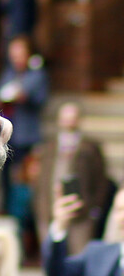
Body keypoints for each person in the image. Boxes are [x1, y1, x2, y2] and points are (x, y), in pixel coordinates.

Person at [34, 102, 112, 256]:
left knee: (79, 256)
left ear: (79, 120)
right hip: (50, 209)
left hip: (81, 212)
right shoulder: (48, 147)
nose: (69, 122)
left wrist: (95, 208)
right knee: (52, 256)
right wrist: (40, 207)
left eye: (72, 118)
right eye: (65, 118)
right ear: (59, 120)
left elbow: (101, 181)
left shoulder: (90, 147)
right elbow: (39, 181)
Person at [0, 36, 48, 219]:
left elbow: (40, 99)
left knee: (24, 177)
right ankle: (6, 207)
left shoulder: (37, 74)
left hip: (27, 134)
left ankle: (25, 214)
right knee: (4, 174)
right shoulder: (9, 74)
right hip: (8, 134)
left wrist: (24, 96)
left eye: (19, 53)